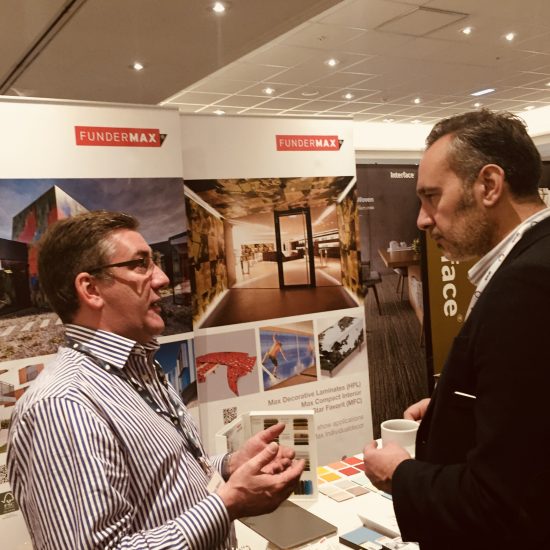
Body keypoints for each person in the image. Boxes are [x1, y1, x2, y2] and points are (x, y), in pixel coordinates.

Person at [7, 210, 305, 549]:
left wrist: (229, 466)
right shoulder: (62, 406)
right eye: (140, 265)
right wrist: (228, 504)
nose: (162, 279)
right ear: (91, 289)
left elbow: (162, 480)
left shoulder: (138, 369)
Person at [362, 110, 550, 549]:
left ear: (489, 185)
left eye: (432, 197)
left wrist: (400, 474)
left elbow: (502, 499)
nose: (422, 220)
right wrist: (459, 405)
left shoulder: (527, 286)